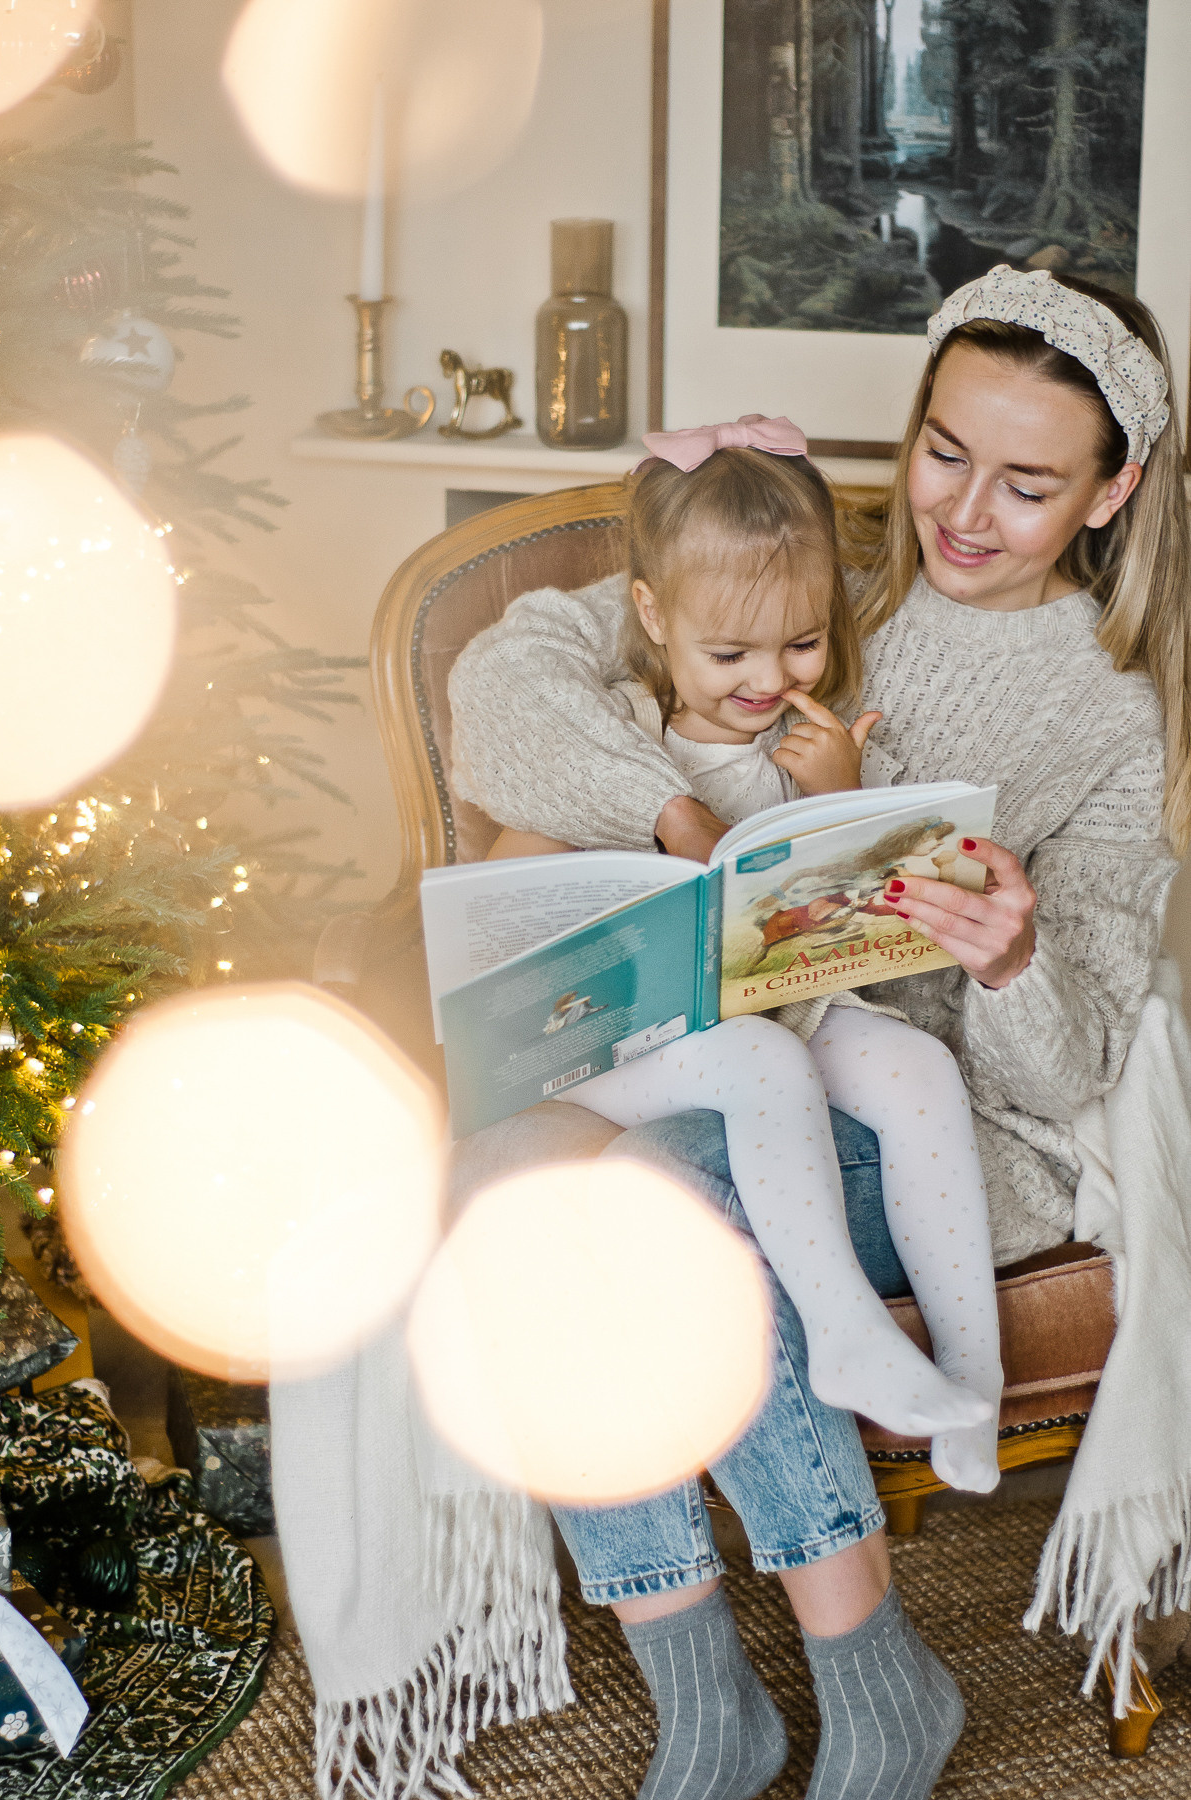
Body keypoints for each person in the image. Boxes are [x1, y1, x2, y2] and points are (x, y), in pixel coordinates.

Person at [448, 267, 1189, 1800]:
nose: (965, 514)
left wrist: (1010, 958)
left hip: (956, 1126)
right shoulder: (818, 575)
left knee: (648, 1215)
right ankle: (704, 1692)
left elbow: (1076, 1072)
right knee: (507, 1189)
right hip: (735, 1053)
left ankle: (870, 1682)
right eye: (943, 453)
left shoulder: (1114, 718)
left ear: (1113, 493)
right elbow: (506, 677)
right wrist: (658, 808)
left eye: (1030, 483)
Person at [489, 425, 1002, 1482]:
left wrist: (842, 801)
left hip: (795, 1004)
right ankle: (848, 1336)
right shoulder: (613, 738)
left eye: (801, 642)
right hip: (651, 1040)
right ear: (649, 615)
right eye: (728, 654)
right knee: (760, 1065)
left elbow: (882, 933)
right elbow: (516, 883)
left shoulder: (832, 742)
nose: (768, 678)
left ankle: (971, 1382)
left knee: (918, 1070)